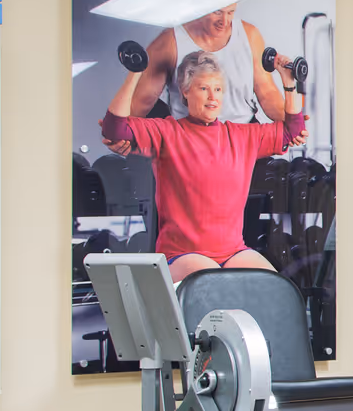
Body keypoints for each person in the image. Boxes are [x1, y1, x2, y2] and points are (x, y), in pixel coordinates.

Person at [103, 49, 306, 281]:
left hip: (232, 252)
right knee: (209, 280)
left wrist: (289, 84)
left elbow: (293, 130)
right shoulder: (167, 132)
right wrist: (135, 73)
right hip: (182, 255)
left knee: (273, 290)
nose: (213, 97)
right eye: (203, 88)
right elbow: (115, 128)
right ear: (185, 91)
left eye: (218, 89)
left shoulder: (241, 136)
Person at [104, 0, 300, 154]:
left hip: (242, 138)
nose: (225, 21)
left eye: (231, 12)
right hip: (190, 142)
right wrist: (118, 133)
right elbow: (142, 102)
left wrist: (294, 122)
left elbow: (266, 92)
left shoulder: (250, 35)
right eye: (217, 12)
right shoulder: (169, 43)